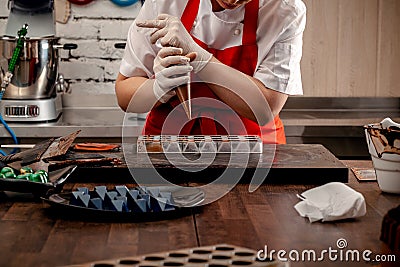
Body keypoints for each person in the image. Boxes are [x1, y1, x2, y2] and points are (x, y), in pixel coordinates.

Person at [115, 0, 306, 144]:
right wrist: (156, 88)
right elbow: (124, 94)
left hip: (251, 149)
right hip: (170, 146)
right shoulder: (167, 2)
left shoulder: (285, 10)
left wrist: (199, 57)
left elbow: (265, 109)